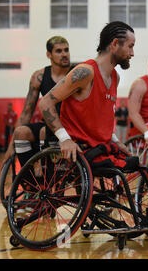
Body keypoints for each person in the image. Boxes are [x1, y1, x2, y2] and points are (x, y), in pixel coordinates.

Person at [38, 21, 134, 166]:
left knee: (138, 166)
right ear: (114, 44)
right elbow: (45, 103)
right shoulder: (85, 71)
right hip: (80, 148)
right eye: (130, 46)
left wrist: (116, 141)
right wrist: (65, 139)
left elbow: (101, 120)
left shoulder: (115, 77)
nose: (132, 53)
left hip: (99, 147)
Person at [3, 36, 72, 166]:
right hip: (48, 126)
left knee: (44, 132)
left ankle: (50, 170)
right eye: (59, 51)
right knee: (21, 132)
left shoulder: (76, 74)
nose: (64, 54)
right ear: (49, 55)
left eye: (66, 50)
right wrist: (11, 146)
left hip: (70, 126)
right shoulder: (39, 77)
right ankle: (31, 182)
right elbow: (26, 113)